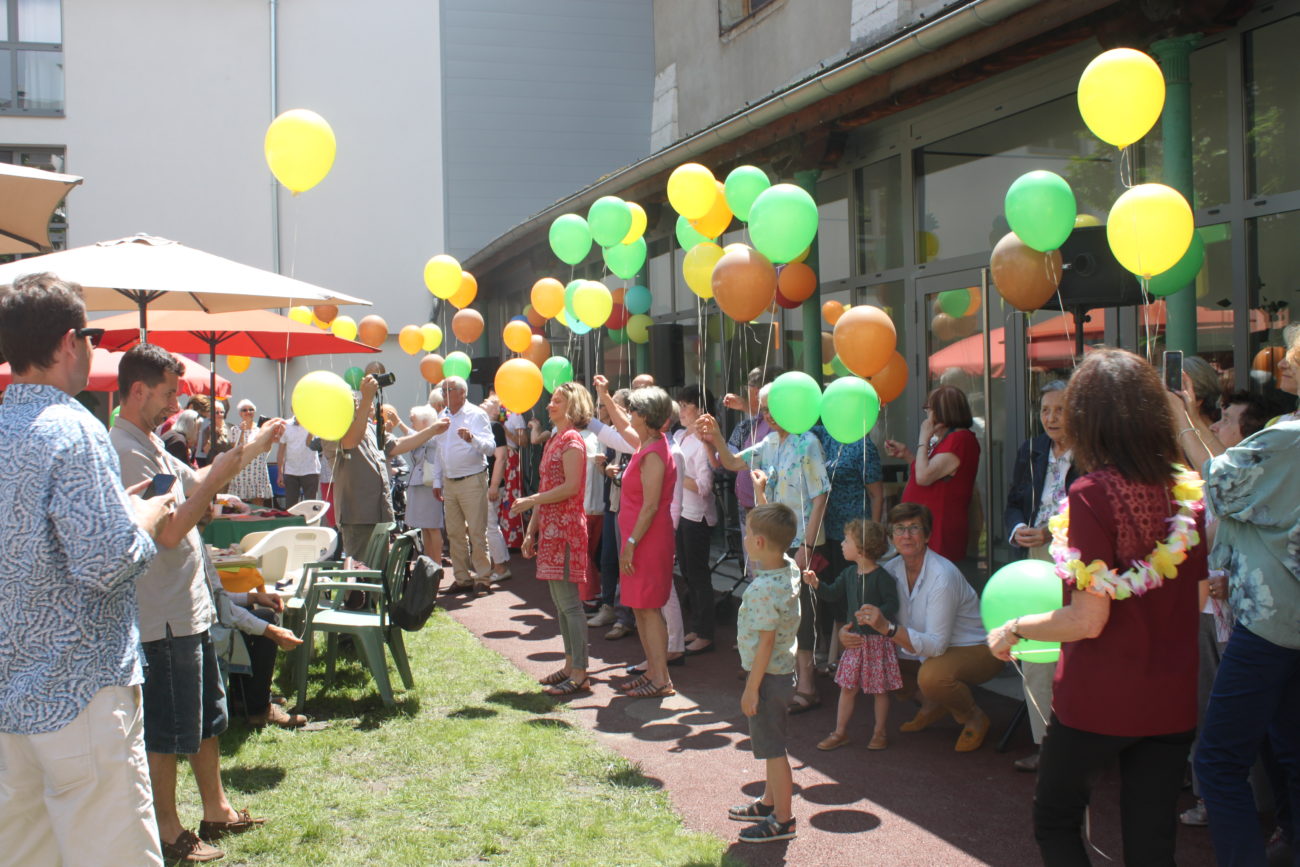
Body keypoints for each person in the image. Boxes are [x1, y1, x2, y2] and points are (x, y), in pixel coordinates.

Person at [986, 348, 1208, 864]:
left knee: (1057, 819)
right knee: (1153, 842)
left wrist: (1014, 628)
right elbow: (1196, 597)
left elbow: (1088, 619)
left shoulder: (1090, 495)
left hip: (1100, 699)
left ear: (1087, 419)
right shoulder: (1184, 493)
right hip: (1171, 697)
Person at [0, 273, 173, 866]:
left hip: (10, 703)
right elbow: (104, 562)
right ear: (71, 341)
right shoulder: (73, 427)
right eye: (93, 336)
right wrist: (144, 518)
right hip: (80, 693)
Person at [111, 343, 289, 863]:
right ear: (138, 390)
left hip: (186, 606)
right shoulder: (124, 449)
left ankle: (217, 809)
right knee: (167, 730)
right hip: (160, 614)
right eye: (168, 393)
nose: (176, 405)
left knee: (207, 718)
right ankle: (169, 832)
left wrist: (251, 449)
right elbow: (167, 532)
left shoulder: (151, 440)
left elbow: (198, 487)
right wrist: (213, 486)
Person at [1173, 323, 1300, 864]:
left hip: (1272, 620)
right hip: (1280, 616)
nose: (1283, 362)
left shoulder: (1290, 435)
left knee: (1219, 760)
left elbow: (1221, 483)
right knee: (1291, 753)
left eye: (1294, 354)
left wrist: (1179, 415)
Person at [701, 384, 829, 715]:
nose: (767, 415)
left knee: (802, 615)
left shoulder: (808, 443)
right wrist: (715, 435)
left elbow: (820, 498)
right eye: (764, 409)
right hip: (776, 544)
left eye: (772, 408)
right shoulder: (770, 441)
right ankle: (785, 677)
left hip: (801, 542)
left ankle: (807, 685)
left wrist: (807, 547)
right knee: (781, 611)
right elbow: (730, 462)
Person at [854, 502, 1002, 752]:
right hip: (932, 647)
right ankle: (932, 703)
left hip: (977, 648)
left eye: (914, 528)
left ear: (928, 535)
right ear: (891, 537)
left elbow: (935, 645)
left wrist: (888, 629)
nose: (906, 536)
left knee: (933, 677)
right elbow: (866, 614)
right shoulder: (890, 570)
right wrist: (848, 634)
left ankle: (972, 716)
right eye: (899, 529)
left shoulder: (941, 576)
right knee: (872, 658)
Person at [1002, 379, 1078, 772]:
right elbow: (1014, 499)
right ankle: (1045, 743)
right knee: (1036, 650)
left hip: (1078, 556)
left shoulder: (1093, 452)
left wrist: (1051, 531)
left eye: (1060, 409)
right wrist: (1018, 530)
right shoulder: (1031, 449)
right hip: (1033, 554)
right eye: (1046, 410)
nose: (1051, 418)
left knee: (1079, 651)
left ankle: (1086, 744)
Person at [511, 382, 593, 697]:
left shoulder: (572, 440)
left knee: (570, 605)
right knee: (560, 605)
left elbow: (571, 487)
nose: (549, 405)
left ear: (572, 407)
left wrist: (532, 501)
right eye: (551, 400)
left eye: (557, 401)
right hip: (552, 531)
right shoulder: (554, 441)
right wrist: (532, 531)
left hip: (568, 530)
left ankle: (580, 672)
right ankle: (571, 665)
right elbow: (547, 491)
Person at [727, 503, 801, 844]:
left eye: (747, 533)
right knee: (772, 745)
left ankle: (783, 819)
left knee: (773, 750)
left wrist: (751, 689)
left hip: (768, 679)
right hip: (783, 673)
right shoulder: (789, 567)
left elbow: (765, 644)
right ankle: (770, 802)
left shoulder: (761, 591)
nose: (743, 537)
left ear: (757, 542)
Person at [803, 519, 900, 752]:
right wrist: (816, 583)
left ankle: (880, 732)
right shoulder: (848, 573)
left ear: (863, 548)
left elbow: (892, 603)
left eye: (847, 540)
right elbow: (832, 593)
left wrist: (879, 614)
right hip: (855, 641)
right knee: (847, 687)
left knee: (879, 690)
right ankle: (840, 732)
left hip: (877, 642)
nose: (842, 545)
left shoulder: (882, 577)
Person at [331, 375, 447, 567]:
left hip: (379, 509)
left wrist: (431, 431)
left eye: (358, 399)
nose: (358, 401)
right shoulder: (335, 426)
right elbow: (350, 441)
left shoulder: (367, 426)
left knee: (380, 567)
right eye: (354, 400)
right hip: (357, 513)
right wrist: (367, 398)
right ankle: (360, 597)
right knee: (360, 568)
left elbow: (396, 446)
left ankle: (377, 597)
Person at [614, 385, 679, 698]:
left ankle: (661, 679)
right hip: (640, 538)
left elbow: (651, 505)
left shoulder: (654, 452)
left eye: (634, 409)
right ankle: (654, 672)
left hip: (647, 540)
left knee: (649, 609)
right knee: (641, 608)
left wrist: (631, 542)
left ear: (645, 415)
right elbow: (619, 426)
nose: (630, 413)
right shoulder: (647, 443)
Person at [884, 384, 980, 571]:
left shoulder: (960, 439)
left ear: (942, 412)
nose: (927, 415)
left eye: (929, 409)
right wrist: (906, 455)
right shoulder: (947, 439)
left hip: (938, 528)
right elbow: (931, 472)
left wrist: (924, 438)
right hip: (923, 525)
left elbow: (923, 477)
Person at [429, 376, 497, 596]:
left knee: (477, 531)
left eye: (449, 389)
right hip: (450, 482)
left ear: (462, 393)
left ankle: (483, 578)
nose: (444, 393)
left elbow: (490, 447)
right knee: (455, 533)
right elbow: (440, 451)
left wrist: (472, 439)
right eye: (443, 389)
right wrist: (437, 480)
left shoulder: (476, 415)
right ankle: (462, 578)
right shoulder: (443, 415)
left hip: (472, 479)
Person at [677, 385, 718, 655]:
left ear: (700, 410)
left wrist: (677, 475)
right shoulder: (680, 436)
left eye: (685, 406)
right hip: (679, 512)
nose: (680, 411)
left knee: (699, 574)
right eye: (679, 405)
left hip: (697, 516)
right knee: (688, 573)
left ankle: (706, 632)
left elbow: (705, 486)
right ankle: (696, 626)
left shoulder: (707, 441)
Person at [404, 405, 446, 572]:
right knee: (425, 526)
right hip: (420, 483)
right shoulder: (423, 436)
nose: (412, 425)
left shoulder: (434, 437)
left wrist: (399, 423)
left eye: (413, 421)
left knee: (433, 526)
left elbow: (419, 439)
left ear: (425, 422)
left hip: (429, 485)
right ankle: (430, 563)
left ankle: (437, 564)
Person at [480, 392, 513, 584]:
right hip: (485, 483)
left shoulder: (495, 428)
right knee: (489, 526)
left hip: (491, 484)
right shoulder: (484, 426)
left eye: (490, 402)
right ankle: (498, 564)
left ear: (497, 410)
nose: (484, 402)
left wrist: (493, 485)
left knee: (490, 525)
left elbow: (501, 458)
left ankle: (500, 567)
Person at [227, 399, 273, 504]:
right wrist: (242, 432)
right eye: (245, 410)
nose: (248, 412)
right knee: (238, 501)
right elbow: (235, 449)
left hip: (257, 468)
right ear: (240, 413)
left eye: (251, 410)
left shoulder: (261, 429)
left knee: (258, 498)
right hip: (241, 468)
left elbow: (267, 448)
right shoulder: (235, 429)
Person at [275, 415, 321, 507]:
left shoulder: (314, 424)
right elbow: (281, 451)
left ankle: (310, 522)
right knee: (291, 507)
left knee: (311, 506)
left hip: (311, 470)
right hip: (291, 472)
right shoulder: (285, 425)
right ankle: (292, 522)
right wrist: (280, 473)